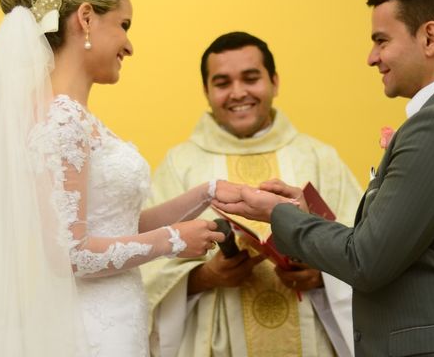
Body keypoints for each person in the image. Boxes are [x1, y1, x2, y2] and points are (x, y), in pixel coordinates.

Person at [0, 0, 234, 357]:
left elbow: (113, 225)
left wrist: (208, 193)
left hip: (115, 316)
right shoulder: (62, 121)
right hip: (90, 330)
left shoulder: (72, 117)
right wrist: (173, 240)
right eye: (124, 25)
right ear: (86, 18)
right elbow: (70, 253)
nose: (129, 46)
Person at [213, 0, 434, 356]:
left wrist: (280, 216)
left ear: (430, 37)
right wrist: (310, 220)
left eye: (381, 41)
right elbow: (395, 246)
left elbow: (366, 260)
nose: (372, 58)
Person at [142, 32, 362, 357]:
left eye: (250, 78)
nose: (238, 93)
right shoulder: (180, 165)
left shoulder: (318, 158)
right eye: (222, 82)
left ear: (274, 81)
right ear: (206, 91)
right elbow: (148, 266)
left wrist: (321, 275)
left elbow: (364, 250)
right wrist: (204, 276)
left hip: (313, 339)